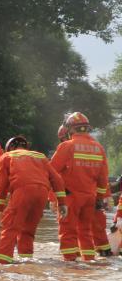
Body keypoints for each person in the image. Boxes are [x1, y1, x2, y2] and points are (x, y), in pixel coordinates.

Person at [0, 136, 66, 263]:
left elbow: (1, 186)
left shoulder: (6, 156)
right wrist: (62, 203)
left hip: (23, 191)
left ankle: (2, 264)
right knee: (28, 230)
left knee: (10, 228)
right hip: (42, 193)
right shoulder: (40, 156)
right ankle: (26, 262)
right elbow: (57, 179)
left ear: (8, 148)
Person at [50, 112, 110, 261]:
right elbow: (103, 179)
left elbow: (51, 173)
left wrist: (52, 197)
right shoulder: (99, 148)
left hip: (70, 197)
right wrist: (100, 199)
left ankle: (71, 265)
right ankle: (89, 262)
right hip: (90, 198)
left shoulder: (67, 146)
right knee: (86, 231)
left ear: (70, 129)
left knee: (67, 231)